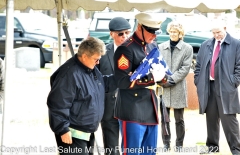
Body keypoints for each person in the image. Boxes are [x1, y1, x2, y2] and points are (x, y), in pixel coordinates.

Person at [47, 37, 116, 155]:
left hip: (86, 132)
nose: (98, 62)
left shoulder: (90, 69)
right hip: (72, 133)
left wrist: (119, 79)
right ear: (84, 56)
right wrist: (63, 129)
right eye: (96, 59)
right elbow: (58, 104)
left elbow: (101, 84)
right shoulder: (69, 74)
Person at [113, 12, 166, 155]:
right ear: (140, 27)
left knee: (149, 152)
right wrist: (151, 77)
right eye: (151, 32)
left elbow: (161, 73)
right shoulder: (125, 49)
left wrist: (161, 76)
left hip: (150, 106)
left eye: (156, 33)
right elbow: (122, 81)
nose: (154, 36)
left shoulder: (152, 45)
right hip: (131, 109)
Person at [194, 19, 240, 154]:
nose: (216, 35)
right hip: (208, 87)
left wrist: (233, 82)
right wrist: (198, 80)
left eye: (218, 32)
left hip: (226, 87)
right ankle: (212, 147)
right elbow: (198, 66)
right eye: (213, 32)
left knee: (229, 120)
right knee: (211, 118)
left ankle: (236, 149)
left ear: (225, 28)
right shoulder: (206, 44)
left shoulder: (236, 44)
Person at [97, 17, 131, 155]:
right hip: (109, 107)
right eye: (120, 34)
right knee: (111, 148)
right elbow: (95, 79)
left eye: (127, 33)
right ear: (111, 34)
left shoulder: (136, 51)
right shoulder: (101, 52)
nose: (125, 36)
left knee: (130, 146)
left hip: (131, 106)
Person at [158, 21, 193, 152]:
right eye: (171, 31)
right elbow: (158, 65)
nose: (173, 34)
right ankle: (166, 144)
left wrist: (171, 80)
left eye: (175, 32)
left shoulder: (187, 48)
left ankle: (179, 144)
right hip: (163, 86)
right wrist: (162, 80)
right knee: (164, 119)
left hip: (177, 86)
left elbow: (185, 68)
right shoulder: (161, 47)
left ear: (180, 34)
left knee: (179, 119)